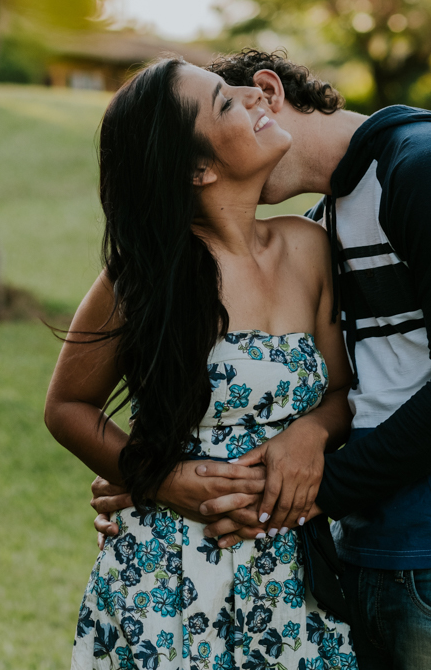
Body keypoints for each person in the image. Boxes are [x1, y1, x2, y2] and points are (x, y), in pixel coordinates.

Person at [88, 49, 431, 670]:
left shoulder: (430, 169)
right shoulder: (329, 220)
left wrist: (277, 495)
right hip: (356, 554)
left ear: (266, 92)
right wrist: (158, 472)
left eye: (234, 100)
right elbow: (331, 391)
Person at [44, 56, 359, 670]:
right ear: (197, 168)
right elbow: (66, 408)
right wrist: (157, 479)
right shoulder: (145, 276)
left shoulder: (309, 247)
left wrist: (311, 432)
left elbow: (343, 391)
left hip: (292, 573)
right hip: (168, 575)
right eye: (224, 102)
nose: (254, 95)